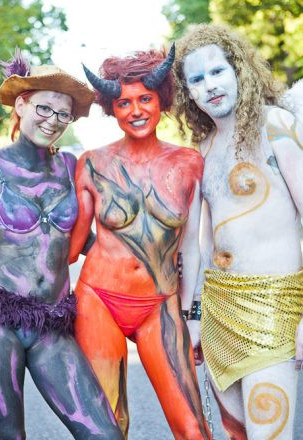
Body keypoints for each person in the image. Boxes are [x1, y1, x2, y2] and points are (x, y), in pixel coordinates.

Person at [0, 50, 123, 439]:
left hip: (51, 322)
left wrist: (145, 263)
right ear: (22, 104)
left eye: (63, 114)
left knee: (104, 434)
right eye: (44, 108)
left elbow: (87, 240)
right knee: (8, 435)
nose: (53, 120)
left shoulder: (71, 168)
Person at [70, 47, 211, 439]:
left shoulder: (189, 162)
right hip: (99, 299)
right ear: (111, 109)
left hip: (161, 302)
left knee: (192, 427)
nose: (135, 110)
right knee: (110, 427)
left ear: (161, 99)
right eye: (123, 103)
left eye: (144, 99)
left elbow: (194, 247)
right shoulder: (93, 162)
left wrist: (190, 313)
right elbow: (70, 246)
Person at [173, 24, 303, 439]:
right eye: (196, 79)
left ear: (238, 70)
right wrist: (192, 317)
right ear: (187, 93)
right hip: (217, 312)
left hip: (274, 310)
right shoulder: (203, 151)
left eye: (217, 71)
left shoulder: (276, 125)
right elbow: (200, 244)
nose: (209, 85)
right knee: (237, 434)